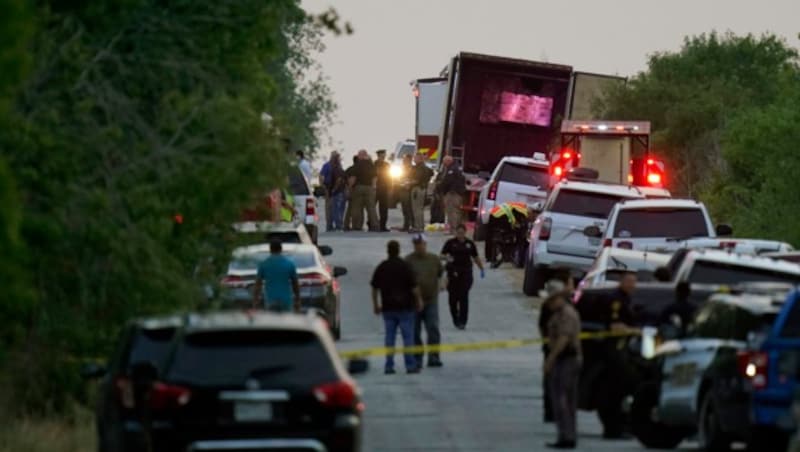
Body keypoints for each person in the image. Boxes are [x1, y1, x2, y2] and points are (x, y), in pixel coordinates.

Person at [597, 271, 640, 440]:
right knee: (614, 393)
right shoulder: (616, 300)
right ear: (621, 281)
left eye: (634, 282)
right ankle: (613, 429)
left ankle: (619, 427)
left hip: (622, 351)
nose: (632, 285)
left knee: (620, 392)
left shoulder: (626, 299)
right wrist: (637, 331)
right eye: (629, 282)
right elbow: (615, 328)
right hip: (614, 351)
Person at [371, 240, 424, 374]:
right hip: (405, 307)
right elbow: (414, 287)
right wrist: (419, 301)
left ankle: (389, 366)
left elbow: (374, 288)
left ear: (388, 251)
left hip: (388, 308)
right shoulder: (405, 266)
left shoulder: (382, 267)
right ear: (398, 250)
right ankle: (410, 365)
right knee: (408, 338)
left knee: (390, 338)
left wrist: (376, 305)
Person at [543, 286, 582, 450]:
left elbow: (563, 339)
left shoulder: (566, 314)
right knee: (565, 399)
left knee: (562, 399)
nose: (549, 304)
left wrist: (550, 359)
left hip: (566, 359)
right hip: (565, 359)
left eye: (551, 300)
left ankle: (567, 436)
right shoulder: (559, 313)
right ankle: (566, 435)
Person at [538, 269, 575, 423]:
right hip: (559, 348)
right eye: (571, 282)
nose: (573, 286)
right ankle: (553, 411)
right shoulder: (558, 305)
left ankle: (552, 411)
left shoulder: (560, 302)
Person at [406, 233, 444, 368]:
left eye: (421, 244)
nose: (419, 247)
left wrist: (442, 284)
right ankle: (417, 358)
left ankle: (434, 356)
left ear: (425, 244)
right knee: (414, 330)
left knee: (433, 328)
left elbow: (441, 274)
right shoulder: (408, 261)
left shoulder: (434, 259)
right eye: (416, 244)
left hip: (431, 300)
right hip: (413, 302)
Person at [441, 224, 485, 329]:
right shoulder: (450, 243)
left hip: (466, 273)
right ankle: (455, 318)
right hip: (452, 272)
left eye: (462, 233)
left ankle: (463, 321)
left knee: (463, 297)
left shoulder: (469, 244)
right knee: (453, 299)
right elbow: (441, 255)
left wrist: (481, 269)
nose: (460, 235)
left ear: (465, 232)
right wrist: (447, 257)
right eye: (458, 233)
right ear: (456, 232)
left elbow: (475, 257)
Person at [253, 240, 300, 313]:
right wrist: (297, 299)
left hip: (271, 300)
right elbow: (295, 284)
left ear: (270, 249)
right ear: (281, 249)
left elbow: (258, 284)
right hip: (286, 300)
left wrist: (256, 300)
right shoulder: (289, 264)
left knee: (273, 323)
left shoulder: (264, 264)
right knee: (287, 322)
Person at [349, 150, 379, 232]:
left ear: (362, 155)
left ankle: (357, 226)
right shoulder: (371, 165)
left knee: (357, 207)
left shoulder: (357, 165)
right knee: (371, 208)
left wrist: (350, 187)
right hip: (369, 188)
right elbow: (375, 177)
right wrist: (374, 186)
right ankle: (375, 225)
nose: (358, 156)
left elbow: (353, 178)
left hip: (359, 187)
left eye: (359, 155)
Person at [436, 155, 466, 232]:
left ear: (448, 161)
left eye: (444, 162)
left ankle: (453, 229)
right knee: (456, 211)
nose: (443, 164)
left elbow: (447, 181)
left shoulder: (452, 170)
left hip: (453, 193)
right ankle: (457, 229)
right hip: (458, 193)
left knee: (452, 211)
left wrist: (440, 186)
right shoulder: (456, 168)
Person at [410, 153, 434, 232]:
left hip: (418, 189)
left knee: (417, 209)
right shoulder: (425, 167)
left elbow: (417, 179)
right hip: (422, 189)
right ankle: (420, 226)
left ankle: (418, 227)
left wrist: (407, 183)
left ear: (419, 159)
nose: (413, 159)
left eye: (415, 158)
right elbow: (432, 173)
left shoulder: (419, 168)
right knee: (419, 209)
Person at [319, 151, 337, 231]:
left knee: (335, 207)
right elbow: (321, 176)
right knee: (329, 207)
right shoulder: (326, 165)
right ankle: (329, 225)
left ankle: (334, 224)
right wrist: (322, 186)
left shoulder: (338, 165)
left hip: (336, 189)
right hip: (328, 188)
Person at [374, 149, 391, 231]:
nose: (384, 156)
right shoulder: (374, 164)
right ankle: (371, 224)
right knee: (372, 207)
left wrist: (390, 187)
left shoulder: (387, 165)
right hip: (376, 188)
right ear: (379, 155)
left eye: (384, 155)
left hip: (384, 188)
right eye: (382, 155)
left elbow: (390, 177)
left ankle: (382, 226)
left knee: (384, 208)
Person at [399, 154, 414, 231]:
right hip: (402, 189)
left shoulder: (412, 169)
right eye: (403, 160)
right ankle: (406, 225)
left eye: (405, 160)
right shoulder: (403, 168)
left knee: (408, 208)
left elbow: (413, 179)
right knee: (404, 208)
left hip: (408, 190)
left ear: (409, 160)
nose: (403, 161)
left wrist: (408, 184)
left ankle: (410, 225)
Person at [343, 155, 358, 231]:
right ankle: (354, 225)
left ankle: (346, 225)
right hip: (353, 190)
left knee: (349, 208)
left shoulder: (349, 169)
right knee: (354, 209)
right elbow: (351, 180)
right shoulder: (355, 169)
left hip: (348, 189)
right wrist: (349, 189)